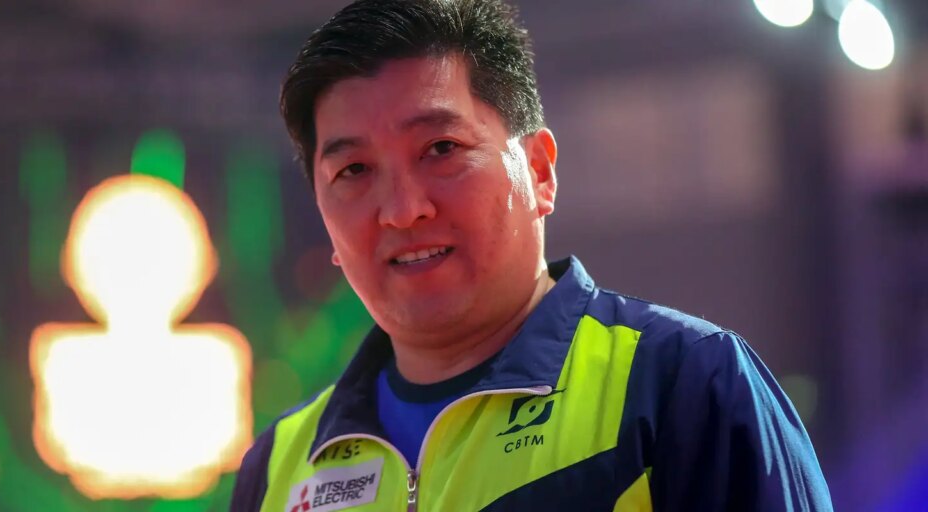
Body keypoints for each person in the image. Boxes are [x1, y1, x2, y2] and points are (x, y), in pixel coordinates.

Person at [231, 0, 833, 510]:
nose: (403, 210)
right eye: (354, 170)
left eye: (441, 148)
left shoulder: (681, 384)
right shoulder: (278, 470)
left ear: (540, 172)